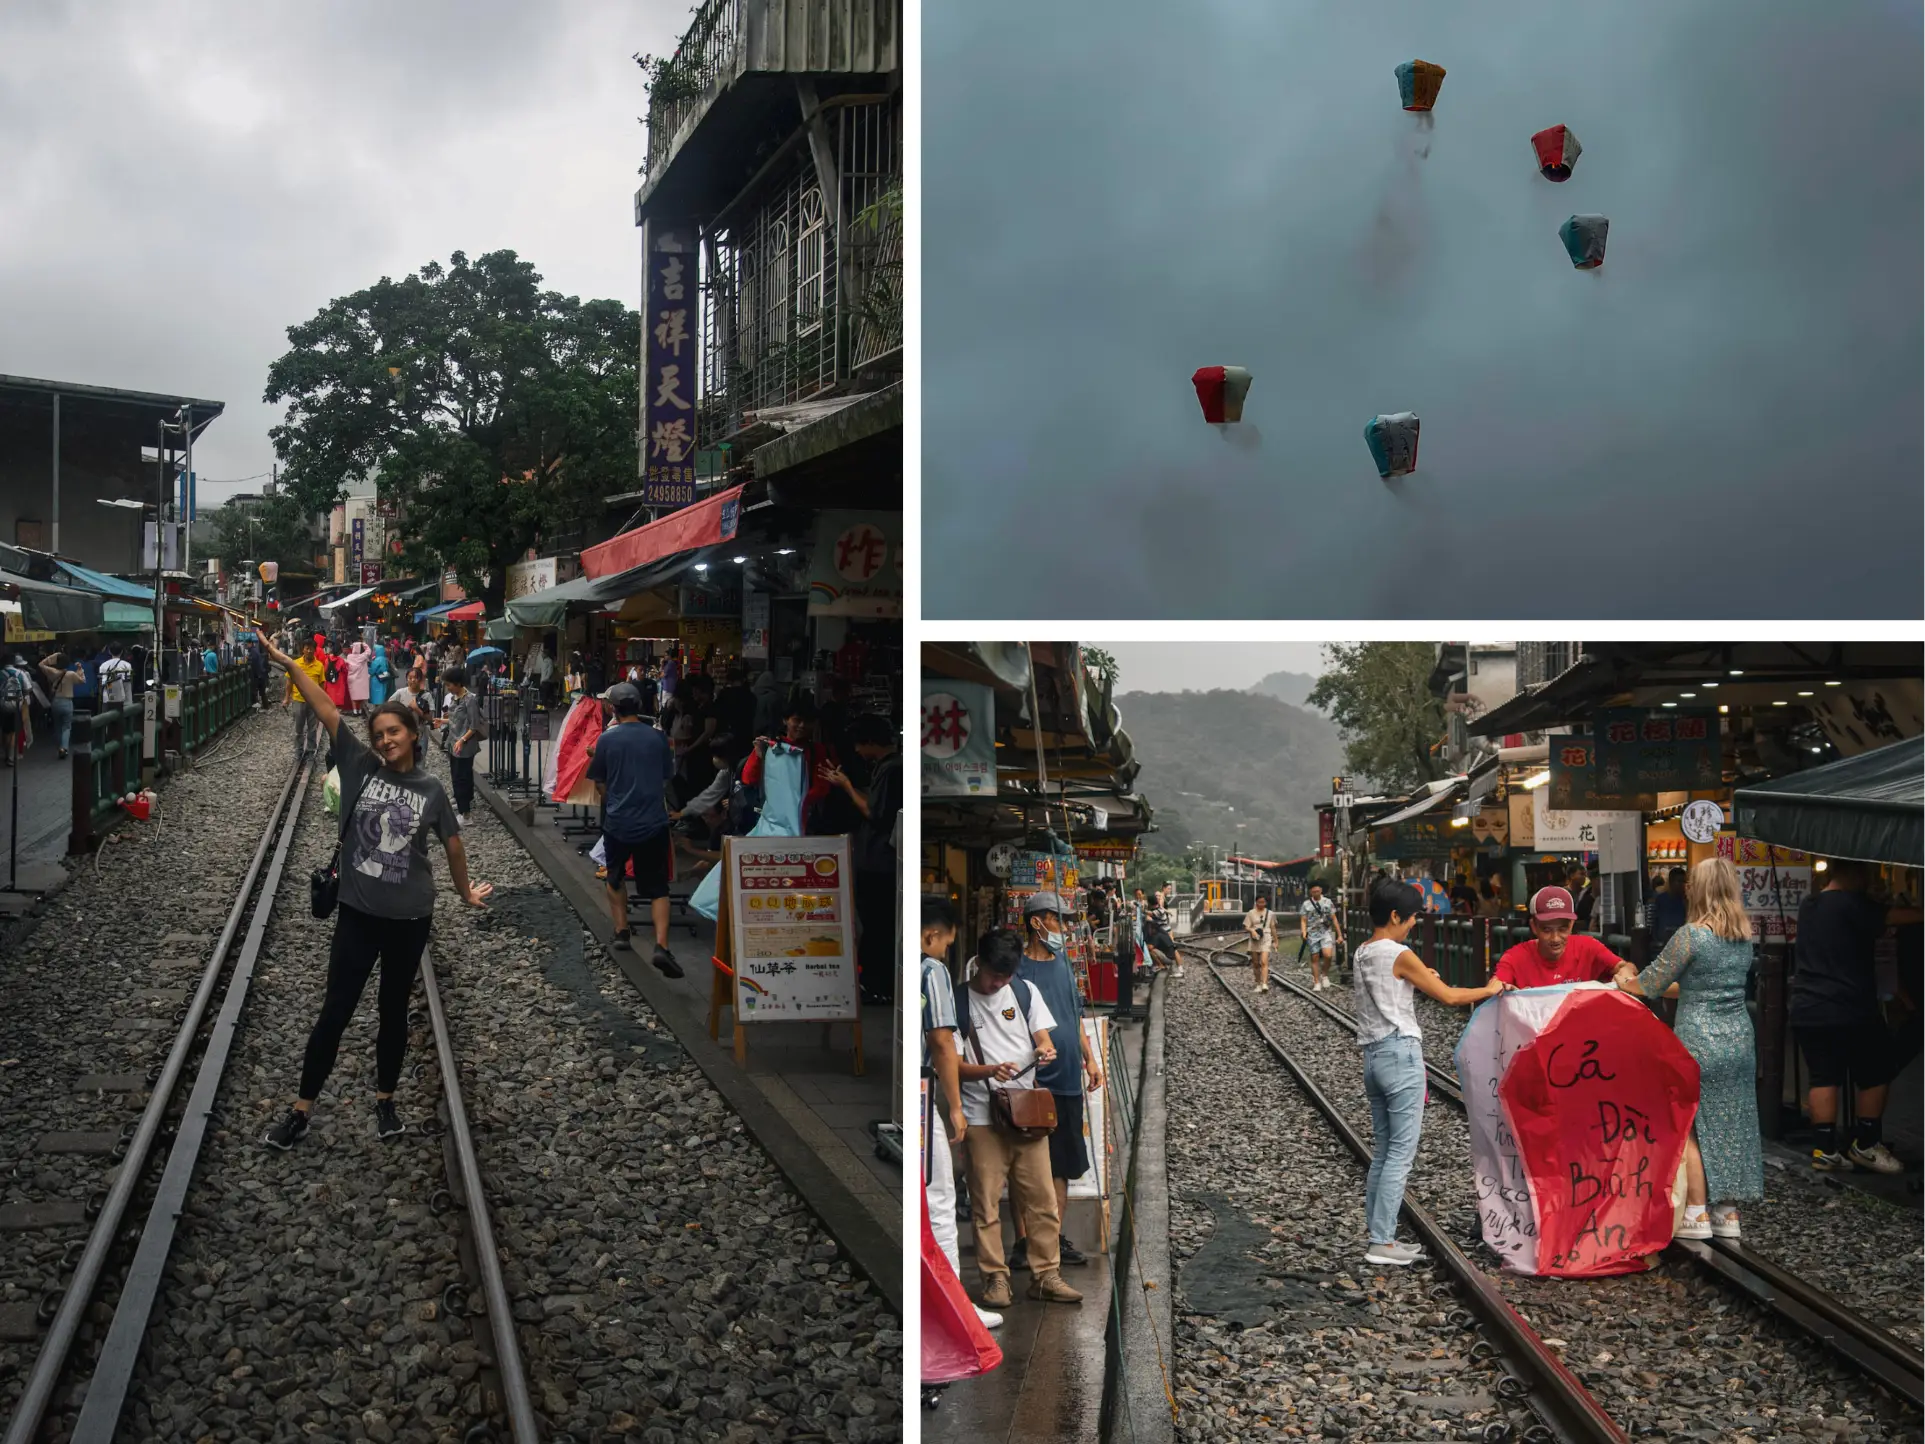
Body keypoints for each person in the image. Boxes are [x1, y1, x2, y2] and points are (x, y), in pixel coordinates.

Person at [258, 634, 490, 1150]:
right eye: (379, 734)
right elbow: (322, 705)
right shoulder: (359, 765)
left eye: (394, 733)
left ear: (412, 735)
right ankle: (300, 1110)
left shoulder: (431, 790)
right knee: (335, 1011)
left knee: (391, 1012)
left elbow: (452, 846)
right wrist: (286, 663)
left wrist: (464, 892)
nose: (385, 740)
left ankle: (385, 1101)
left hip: (409, 919)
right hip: (358, 914)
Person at [1353, 878, 1508, 1266]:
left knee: (1384, 1152)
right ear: (1394, 916)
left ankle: (1380, 1236)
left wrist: (1422, 978)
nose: (1412, 926)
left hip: (1373, 1057)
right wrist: (1491, 990)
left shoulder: (1363, 951)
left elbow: (1394, 989)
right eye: (1410, 919)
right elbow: (1452, 997)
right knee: (1400, 1155)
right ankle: (1382, 1242)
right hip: (1401, 1055)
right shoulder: (1399, 952)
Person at [1617, 858, 1763, 1239]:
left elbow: (1649, 984)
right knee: (1734, 1121)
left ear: (1696, 889)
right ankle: (1727, 1214)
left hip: (1699, 1038)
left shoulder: (1691, 935)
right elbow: (1704, 985)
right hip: (1739, 1040)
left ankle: (1696, 1212)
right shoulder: (1744, 936)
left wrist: (1624, 979)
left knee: (1692, 1125)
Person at [955, 930, 1081, 1309]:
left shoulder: (1024, 991)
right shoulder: (958, 1000)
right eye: (994, 975)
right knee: (985, 1203)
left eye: (1006, 977)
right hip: (981, 1113)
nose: (999, 983)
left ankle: (1046, 1275)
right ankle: (995, 1278)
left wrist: (1045, 1050)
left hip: (1027, 1111)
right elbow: (952, 1065)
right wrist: (989, 1070)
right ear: (979, 963)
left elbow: (1043, 1038)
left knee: (1042, 1198)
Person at [1790, 858, 1917, 1173]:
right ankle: (1866, 1144)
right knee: (1876, 1072)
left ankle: (1825, 1150)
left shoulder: (1809, 905)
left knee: (1823, 1077)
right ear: (1854, 872)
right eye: (1868, 873)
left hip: (1807, 1006)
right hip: (1849, 1006)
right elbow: (1893, 916)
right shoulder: (1854, 905)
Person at [1011, 893, 1104, 1272]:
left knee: (1061, 1165)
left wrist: (1089, 1057)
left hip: (1067, 1081)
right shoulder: (1016, 970)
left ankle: (1052, 1238)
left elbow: (1074, 1015)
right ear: (1036, 923)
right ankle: (1022, 1240)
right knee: (1025, 1165)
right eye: (1057, 920)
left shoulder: (1064, 964)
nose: (1064, 928)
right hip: (1032, 1083)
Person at [921, 897, 1002, 1330]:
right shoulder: (931, 970)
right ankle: (953, 1303)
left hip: (909, 1088)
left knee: (926, 1192)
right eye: (947, 944)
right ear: (932, 936)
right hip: (922, 1090)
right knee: (939, 1197)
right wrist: (954, 1106)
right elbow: (942, 1042)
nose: (946, 952)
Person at [587, 682, 682, 978]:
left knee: (614, 876)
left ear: (614, 709)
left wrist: (613, 798)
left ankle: (621, 931)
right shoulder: (658, 738)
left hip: (618, 821)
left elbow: (599, 780)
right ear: (640, 708)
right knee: (657, 888)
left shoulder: (607, 739)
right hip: (653, 821)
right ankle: (662, 946)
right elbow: (667, 776)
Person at [825, 714, 901, 1007]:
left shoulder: (892, 769)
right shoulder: (888, 767)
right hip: (876, 860)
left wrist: (846, 786)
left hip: (878, 862)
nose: (856, 751)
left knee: (876, 924)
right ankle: (876, 982)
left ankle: (876, 984)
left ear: (870, 741)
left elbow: (875, 813)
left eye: (859, 744)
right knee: (876, 924)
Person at [1493, 886, 1639, 989]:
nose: (1555, 938)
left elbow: (1625, 967)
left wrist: (1625, 974)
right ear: (1534, 927)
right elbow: (1496, 985)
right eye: (1546, 929)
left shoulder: (1588, 947)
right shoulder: (1515, 957)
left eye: (1562, 929)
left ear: (1571, 925)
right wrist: (1507, 993)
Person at [742, 699, 842, 835]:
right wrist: (759, 757)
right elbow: (749, 779)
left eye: (808, 721)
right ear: (785, 720)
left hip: (806, 822)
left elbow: (821, 787)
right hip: (771, 823)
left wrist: (799, 805)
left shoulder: (817, 751)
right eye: (797, 720)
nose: (802, 725)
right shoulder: (768, 748)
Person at [435, 667, 482, 823]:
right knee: (461, 775)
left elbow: (474, 726)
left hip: (464, 744)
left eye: (449, 685)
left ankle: (465, 814)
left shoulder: (470, 700)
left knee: (460, 777)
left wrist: (462, 740)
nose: (448, 688)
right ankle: (465, 802)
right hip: (454, 742)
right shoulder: (456, 698)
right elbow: (456, 720)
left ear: (457, 683)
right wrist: (442, 721)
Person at [36, 652, 82, 758]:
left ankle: (59, 747)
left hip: (56, 702)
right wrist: (79, 669)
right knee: (66, 726)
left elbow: (41, 664)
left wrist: (53, 656)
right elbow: (81, 680)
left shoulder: (52, 672)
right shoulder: (71, 674)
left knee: (57, 726)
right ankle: (64, 748)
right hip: (67, 701)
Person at [1299, 882, 1343, 991]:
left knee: (1328, 955)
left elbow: (1334, 919)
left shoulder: (1328, 902)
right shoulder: (1306, 904)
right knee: (1314, 958)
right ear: (1310, 892)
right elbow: (1303, 920)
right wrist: (1303, 932)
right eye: (1313, 892)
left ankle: (1324, 975)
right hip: (1312, 933)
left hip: (1325, 932)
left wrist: (1339, 935)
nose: (1315, 893)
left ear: (1321, 890)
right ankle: (1316, 982)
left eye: (1317, 891)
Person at [1146, 887, 1184, 978]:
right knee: (1172, 949)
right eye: (1157, 896)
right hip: (1164, 931)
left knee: (1172, 949)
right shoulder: (1160, 908)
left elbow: (1150, 914)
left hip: (1164, 931)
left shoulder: (1157, 911)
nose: (1159, 898)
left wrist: (1141, 910)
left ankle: (1176, 968)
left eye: (1159, 896)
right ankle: (1180, 969)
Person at [1243, 893, 1277, 992]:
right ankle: (1258, 983)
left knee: (1264, 961)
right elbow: (1246, 926)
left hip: (1266, 938)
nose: (1261, 904)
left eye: (1263, 902)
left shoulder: (1270, 913)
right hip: (1254, 939)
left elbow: (1273, 928)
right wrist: (1252, 930)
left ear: (1266, 903)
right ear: (1256, 902)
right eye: (1259, 902)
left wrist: (1276, 941)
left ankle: (1265, 983)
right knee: (1256, 963)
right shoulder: (1251, 913)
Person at [1651, 867, 1689, 954]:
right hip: (1663, 945)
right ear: (1671, 882)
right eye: (1679, 881)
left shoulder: (1687, 900)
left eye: (1684, 882)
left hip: (1682, 944)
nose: (1682, 885)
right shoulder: (1661, 900)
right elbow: (1655, 923)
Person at [100, 644, 135, 711]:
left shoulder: (103, 665)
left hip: (108, 698)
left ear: (109, 652)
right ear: (122, 652)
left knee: (107, 719)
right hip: (124, 699)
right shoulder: (127, 665)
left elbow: (102, 683)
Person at [1568, 866, 1598, 933]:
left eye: (1585, 874)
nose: (1584, 877)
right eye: (1581, 874)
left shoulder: (1585, 892)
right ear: (1572, 875)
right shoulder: (1565, 893)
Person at [368, 643, 391, 708]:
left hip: (376, 679)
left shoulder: (377, 660)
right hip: (382, 679)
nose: (373, 651)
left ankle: (377, 708)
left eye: (374, 650)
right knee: (382, 693)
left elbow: (372, 671)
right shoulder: (384, 659)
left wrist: (368, 668)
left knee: (376, 694)